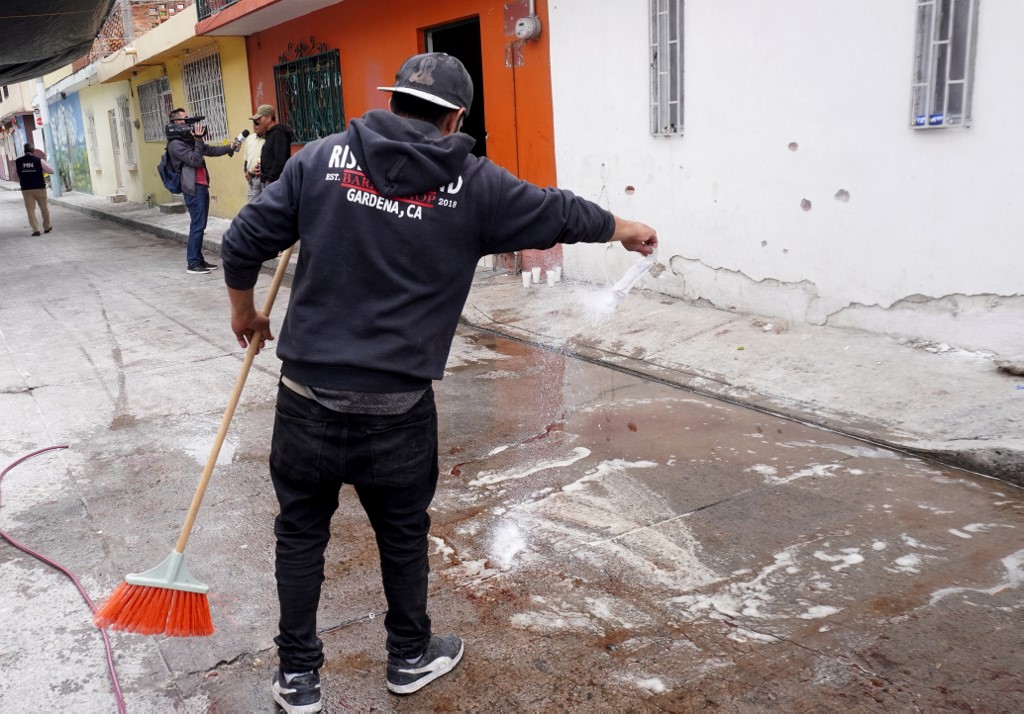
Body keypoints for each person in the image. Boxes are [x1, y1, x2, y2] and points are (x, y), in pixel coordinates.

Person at [220, 52, 657, 714]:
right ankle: (408, 658)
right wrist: (625, 228)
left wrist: (245, 313)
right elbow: (561, 212)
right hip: (396, 410)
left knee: (301, 534)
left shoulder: (321, 160)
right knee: (401, 534)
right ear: (457, 117)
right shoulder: (477, 186)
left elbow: (242, 241)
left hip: (307, 399)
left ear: (393, 100)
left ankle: (299, 678)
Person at [166, 108, 241, 274]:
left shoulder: (188, 140)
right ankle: (192, 263)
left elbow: (211, 150)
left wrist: (230, 147)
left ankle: (198, 260)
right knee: (197, 226)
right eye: (185, 119)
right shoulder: (175, 145)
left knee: (200, 225)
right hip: (193, 188)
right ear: (176, 123)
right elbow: (195, 160)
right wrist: (198, 139)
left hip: (201, 185)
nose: (190, 122)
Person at [15, 143, 55, 236]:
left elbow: (15, 175)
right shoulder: (39, 160)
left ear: (24, 151)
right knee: (44, 208)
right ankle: (47, 226)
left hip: (26, 189)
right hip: (39, 188)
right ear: (33, 151)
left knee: (30, 210)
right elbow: (51, 171)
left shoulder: (18, 161)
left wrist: (24, 177)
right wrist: (42, 171)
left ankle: (36, 230)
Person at [249, 104, 293, 187]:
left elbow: (280, 160)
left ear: (269, 118)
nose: (257, 122)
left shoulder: (279, 134)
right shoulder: (269, 134)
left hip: (275, 183)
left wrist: (270, 180)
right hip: (267, 181)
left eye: (259, 118)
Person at [242, 128, 266, 202]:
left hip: (266, 180)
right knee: (251, 208)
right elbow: (246, 159)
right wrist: (246, 171)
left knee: (269, 208)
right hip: (253, 180)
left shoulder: (270, 138)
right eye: (254, 123)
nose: (255, 126)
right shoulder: (250, 139)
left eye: (257, 123)